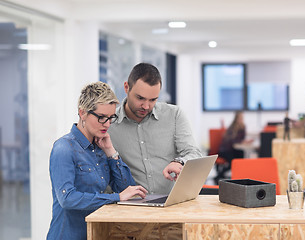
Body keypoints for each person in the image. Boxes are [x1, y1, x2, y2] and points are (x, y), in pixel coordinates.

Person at [47, 82, 147, 240]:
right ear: (82, 113)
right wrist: (116, 197)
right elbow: (67, 199)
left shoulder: (101, 147)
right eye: (101, 117)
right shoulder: (63, 148)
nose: (107, 124)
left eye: (110, 118)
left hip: (96, 233)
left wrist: (111, 153)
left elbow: (128, 189)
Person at [108, 63, 202, 195]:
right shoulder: (109, 124)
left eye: (153, 100)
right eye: (140, 98)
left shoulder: (174, 115)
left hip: (172, 203)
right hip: (132, 206)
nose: (146, 106)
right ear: (126, 87)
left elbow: (194, 153)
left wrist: (179, 162)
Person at [216, 111, 251, 182]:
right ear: (236, 119)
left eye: (242, 118)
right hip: (225, 150)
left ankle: (239, 175)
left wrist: (243, 130)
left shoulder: (242, 127)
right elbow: (231, 141)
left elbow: (241, 138)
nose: (241, 120)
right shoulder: (232, 127)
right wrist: (241, 142)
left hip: (233, 150)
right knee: (234, 161)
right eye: (240, 118)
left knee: (241, 154)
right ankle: (220, 175)